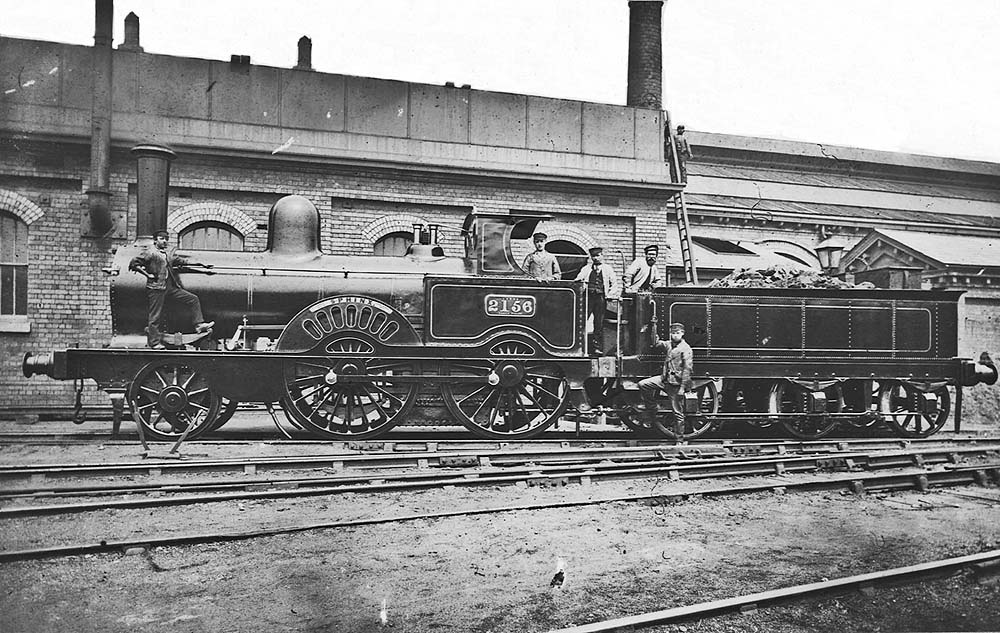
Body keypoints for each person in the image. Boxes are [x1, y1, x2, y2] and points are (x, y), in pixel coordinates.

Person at [129, 229, 214, 349]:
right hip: (156, 288)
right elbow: (134, 263)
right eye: (162, 238)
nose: (165, 241)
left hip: (169, 288)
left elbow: (184, 262)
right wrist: (148, 275)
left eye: (166, 239)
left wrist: (202, 264)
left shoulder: (168, 255)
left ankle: (199, 324)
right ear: (155, 240)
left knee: (193, 299)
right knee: (155, 317)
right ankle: (154, 343)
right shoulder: (150, 252)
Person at [638, 321, 694, 437]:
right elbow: (656, 343)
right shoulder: (669, 344)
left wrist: (682, 388)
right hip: (664, 380)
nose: (675, 335)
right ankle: (653, 408)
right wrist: (654, 327)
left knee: (677, 413)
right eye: (673, 333)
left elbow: (687, 370)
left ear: (682, 333)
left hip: (675, 384)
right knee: (643, 384)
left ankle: (679, 438)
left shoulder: (686, 349)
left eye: (677, 333)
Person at [574, 246, 620, 355]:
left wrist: (610, 295)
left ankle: (597, 347)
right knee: (582, 321)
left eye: (598, 255)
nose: (596, 258)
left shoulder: (608, 269)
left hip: (601, 299)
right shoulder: (586, 269)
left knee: (598, 323)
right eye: (593, 256)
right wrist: (581, 282)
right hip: (588, 298)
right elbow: (578, 279)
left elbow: (614, 284)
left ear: (602, 256)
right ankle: (580, 346)